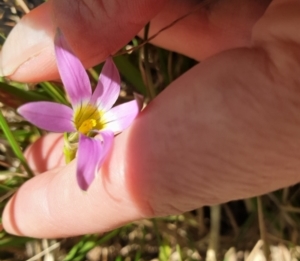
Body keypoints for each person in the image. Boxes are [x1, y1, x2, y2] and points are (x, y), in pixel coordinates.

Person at [0, 0, 299, 238]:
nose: (86, 126)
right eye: (82, 128)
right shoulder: (84, 122)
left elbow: (126, 106)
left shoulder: (95, 130)